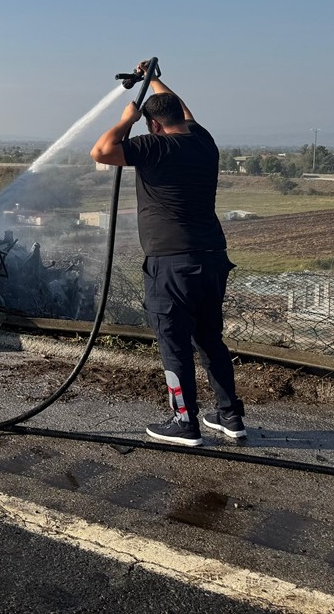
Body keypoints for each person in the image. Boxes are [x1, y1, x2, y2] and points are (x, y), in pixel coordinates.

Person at [90, 62, 245, 447]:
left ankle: (184, 423)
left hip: (171, 263)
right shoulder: (203, 140)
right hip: (212, 256)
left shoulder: (153, 146)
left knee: (173, 343)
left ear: (154, 126)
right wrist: (152, 81)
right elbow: (183, 111)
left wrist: (127, 119)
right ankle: (231, 417)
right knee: (210, 339)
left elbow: (101, 151)